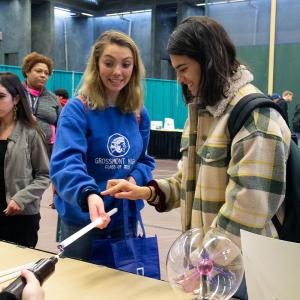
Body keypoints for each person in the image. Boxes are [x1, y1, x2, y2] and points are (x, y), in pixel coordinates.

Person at [101, 16, 291, 300]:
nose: (180, 79)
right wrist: (146, 191)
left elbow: (249, 210)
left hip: (245, 274)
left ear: (210, 60)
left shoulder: (256, 118)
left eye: (183, 69)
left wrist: (205, 265)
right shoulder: (202, 111)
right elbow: (188, 181)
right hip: (212, 268)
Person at [50, 31, 155, 262]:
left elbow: (144, 161)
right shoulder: (78, 110)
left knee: (120, 284)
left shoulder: (139, 113)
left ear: (134, 69)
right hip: (83, 218)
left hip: (122, 217)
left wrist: (134, 181)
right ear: (96, 65)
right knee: (80, 284)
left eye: (126, 64)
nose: (118, 72)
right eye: (109, 63)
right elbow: (65, 163)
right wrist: (88, 193)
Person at [0, 72, 50, 248]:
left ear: (15, 99)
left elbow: (44, 175)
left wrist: (21, 198)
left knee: (18, 272)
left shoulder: (31, 133)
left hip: (20, 218)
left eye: (1, 96)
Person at [21, 52, 62, 155]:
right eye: (38, 71)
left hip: (48, 149)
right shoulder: (16, 93)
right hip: (20, 147)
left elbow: (62, 123)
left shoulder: (53, 98)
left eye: (46, 73)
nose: (43, 75)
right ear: (27, 72)